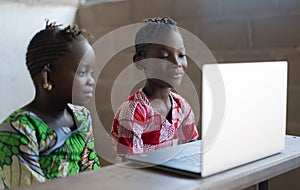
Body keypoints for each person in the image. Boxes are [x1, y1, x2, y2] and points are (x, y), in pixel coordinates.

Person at [0, 21, 100, 189]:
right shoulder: (18, 130)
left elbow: (93, 175)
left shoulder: (82, 118)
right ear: (47, 77)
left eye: (91, 73)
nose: (92, 81)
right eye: (83, 73)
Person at [111, 17, 199, 162]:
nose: (177, 63)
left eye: (181, 55)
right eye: (164, 57)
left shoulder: (182, 107)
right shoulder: (134, 112)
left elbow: (193, 152)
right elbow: (131, 167)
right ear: (140, 61)